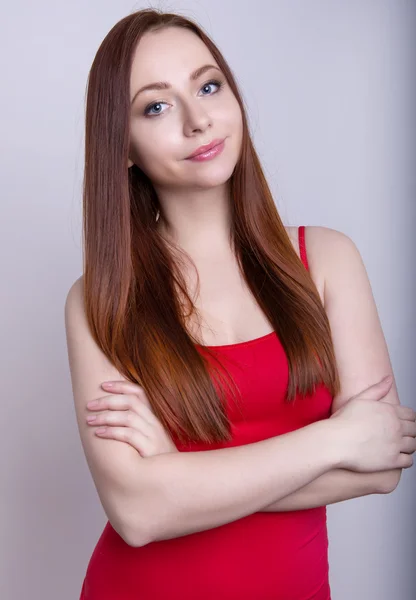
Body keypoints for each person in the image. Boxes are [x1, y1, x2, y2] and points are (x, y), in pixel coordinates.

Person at [64, 9, 416, 600]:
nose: (198, 120)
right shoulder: (102, 297)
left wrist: (180, 477)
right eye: (157, 105)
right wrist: (334, 440)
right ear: (121, 145)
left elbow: (381, 461)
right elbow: (139, 514)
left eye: (209, 86)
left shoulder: (327, 260)